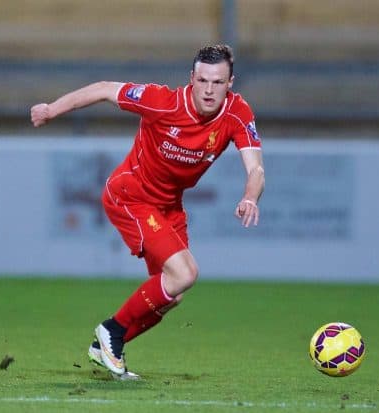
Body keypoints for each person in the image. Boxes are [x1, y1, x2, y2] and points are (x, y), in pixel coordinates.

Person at [30, 44, 264, 380]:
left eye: (218, 82)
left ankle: (107, 344)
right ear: (192, 78)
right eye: (203, 80)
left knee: (174, 291)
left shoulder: (238, 113)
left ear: (230, 83)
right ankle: (112, 330)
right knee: (186, 273)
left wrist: (250, 196)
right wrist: (52, 110)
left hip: (169, 206)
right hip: (131, 195)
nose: (209, 90)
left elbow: (256, 169)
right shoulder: (162, 101)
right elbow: (103, 90)